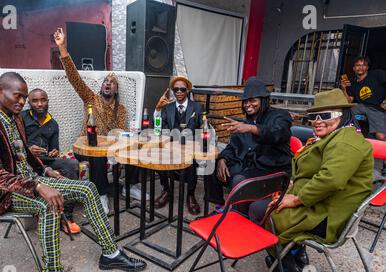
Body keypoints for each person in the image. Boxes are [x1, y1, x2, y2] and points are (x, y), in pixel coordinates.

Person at [0, 72, 147, 272]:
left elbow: (25, 154)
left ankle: (111, 253)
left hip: (33, 180)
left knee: (88, 187)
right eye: (18, 96)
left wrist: (46, 171)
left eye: (24, 97)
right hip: (5, 194)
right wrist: (38, 186)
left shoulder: (15, 117)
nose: (22, 101)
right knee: (48, 204)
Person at [262, 89, 374, 272]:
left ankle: (283, 260)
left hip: (330, 216)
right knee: (271, 205)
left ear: (343, 115)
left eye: (327, 115)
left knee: (270, 212)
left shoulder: (346, 142)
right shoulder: (337, 136)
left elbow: (331, 179)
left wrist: (296, 199)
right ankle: (293, 253)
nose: (318, 120)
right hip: (327, 203)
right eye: (314, 116)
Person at [53, 27, 146, 213]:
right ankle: (101, 194)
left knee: (136, 145)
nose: (107, 83)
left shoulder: (121, 110)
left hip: (109, 149)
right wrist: (63, 49)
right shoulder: (90, 98)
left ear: (116, 90)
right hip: (85, 149)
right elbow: (74, 78)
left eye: (112, 83)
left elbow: (119, 134)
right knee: (97, 154)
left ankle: (130, 186)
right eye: (105, 81)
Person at [207, 77, 292, 218]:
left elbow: (278, 133)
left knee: (240, 180)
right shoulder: (244, 124)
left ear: (263, 100)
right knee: (210, 164)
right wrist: (222, 159)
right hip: (249, 167)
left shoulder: (279, 116)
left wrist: (252, 128)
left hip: (272, 172)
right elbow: (232, 147)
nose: (248, 104)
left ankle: (240, 218)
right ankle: (220, 206)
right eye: (245, 101)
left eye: (253, 100)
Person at [22, 88, 81, 235]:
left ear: (48, 102)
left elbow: (55, 147)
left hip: (46, 161)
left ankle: (66, 216)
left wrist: (54, 151)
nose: (40, 104)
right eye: (35, 101)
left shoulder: (53, 124)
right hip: (26, 161)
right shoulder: (21, 118)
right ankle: (51, 212)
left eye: (43, 100)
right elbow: (13, 143)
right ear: (29, 103)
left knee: (72, 165)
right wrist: (28, 149)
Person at [152, 76, 204, 215]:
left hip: (189, 147)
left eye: (182, 89)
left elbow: (202, 127)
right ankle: (166, 191)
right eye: (176, 89)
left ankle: (190, 195)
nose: (179, 92)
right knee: (160, 157)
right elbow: (158, 127)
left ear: (187, 90)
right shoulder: (167, 107)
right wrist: (157, 109)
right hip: (171, 146)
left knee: (191, 161)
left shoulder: (197, 107)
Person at [340, 56, 386, 175]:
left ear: (367, 67)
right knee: (348, 110)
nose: (360, 67)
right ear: (354, 68)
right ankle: (355, 134)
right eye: (358, 65)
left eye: (363, 65)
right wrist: (344, 89)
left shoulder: (377, 75)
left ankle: (384, 162)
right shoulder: (354, 84)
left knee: (381, 137)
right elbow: (349, 101)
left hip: (377, 109)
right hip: (361, 107)